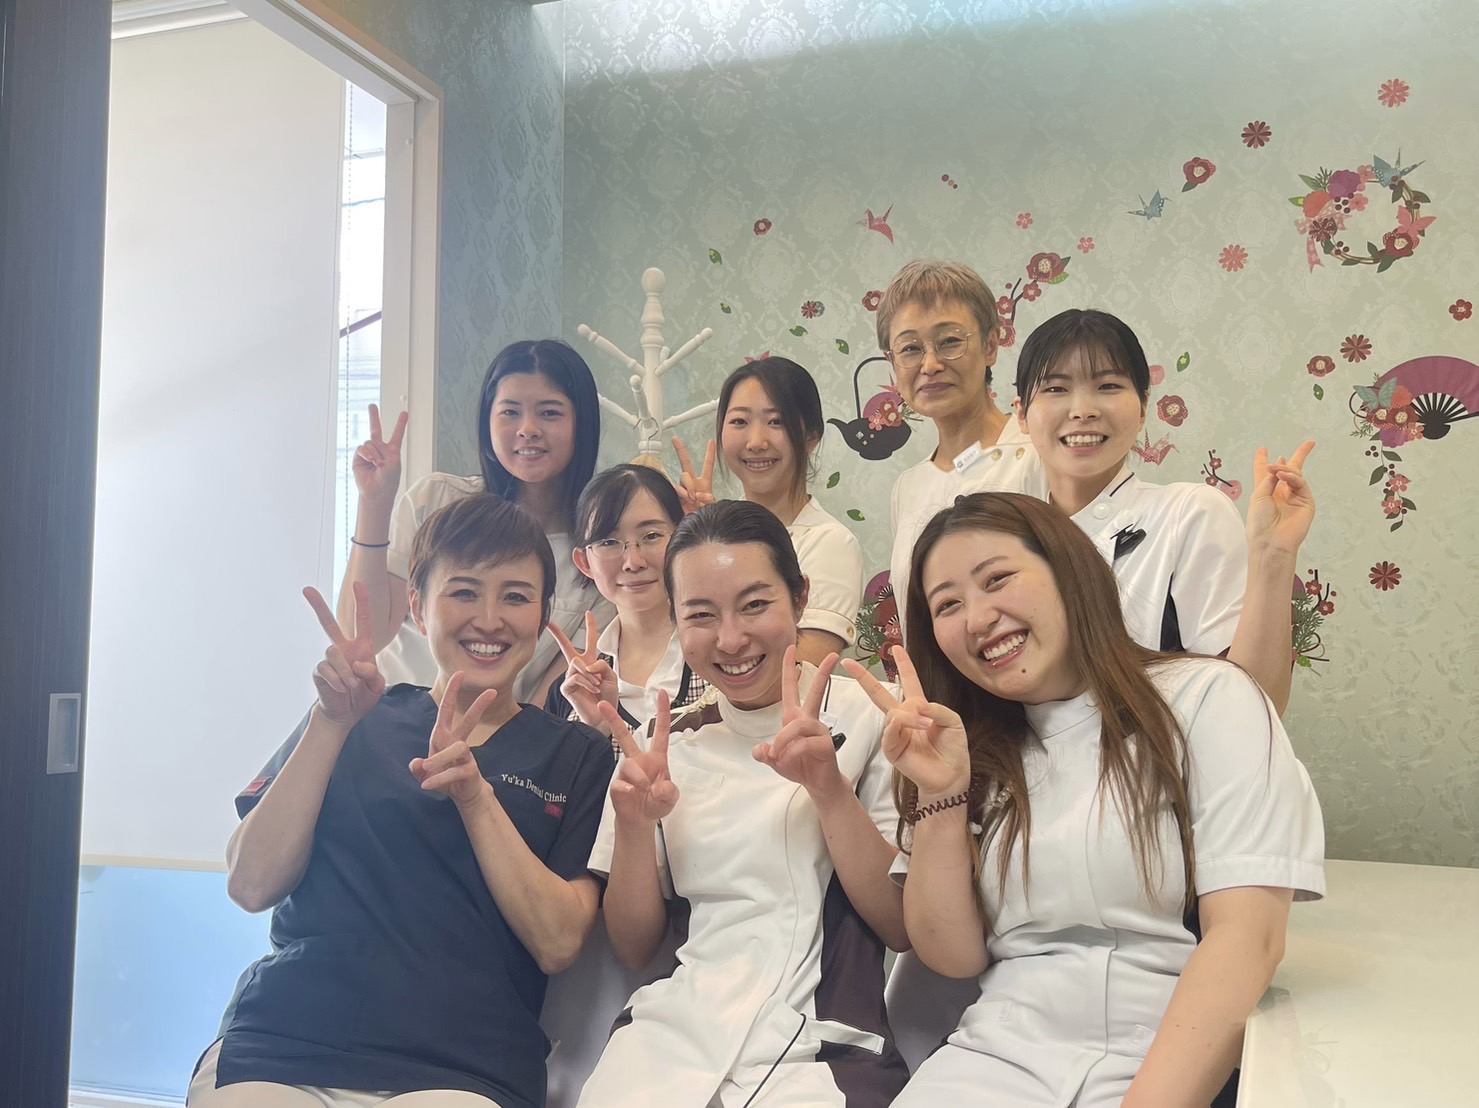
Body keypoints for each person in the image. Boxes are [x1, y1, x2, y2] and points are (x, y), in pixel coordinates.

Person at [844, 492, 1324, 1108]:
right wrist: (942, 796)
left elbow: (1246, 940)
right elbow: (952, 957)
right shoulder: (965, 750)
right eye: (948, 605)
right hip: (994, 1057)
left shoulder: (1208, 699)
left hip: (1170, 1053)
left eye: (997, 579)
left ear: (1069, 570)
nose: (978, 618)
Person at [190, 495, 614, 1108]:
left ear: (545, 614)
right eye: (463, 592)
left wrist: (475, 798)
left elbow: (558, 942)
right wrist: (331, 724)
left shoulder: (575, 754)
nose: (489, 620)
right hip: (284, 1043)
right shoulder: (356, 713)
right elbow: (251, 885)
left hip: (466, 1070)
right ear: (417, 606)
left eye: (516, 597)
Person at [576, 501, 909, 1108]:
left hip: (823, 1051)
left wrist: (829, 791)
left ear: (800, 599)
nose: (730, 640)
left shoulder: (874, 717)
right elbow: (633, 948)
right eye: (701, 615)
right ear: (676, 621)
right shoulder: (665, 743)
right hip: (671, 1036)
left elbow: (900, 924)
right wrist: (634, 827)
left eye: (755, 605)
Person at [1013, 308, 1314, 712]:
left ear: (1142, 409)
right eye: (1055, 388)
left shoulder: (1188, 513)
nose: (1083, 410)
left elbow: (1252, 706)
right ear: (1021, 414)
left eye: (1107, 385)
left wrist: (1273, 554)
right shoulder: (1008, 538)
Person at [339, 339, 610, 705]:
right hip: (389, 714)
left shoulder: (597, 554)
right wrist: (375, 502)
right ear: (487, 422)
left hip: (491, 734)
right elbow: (363, 635)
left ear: (582, 424)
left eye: (549, 413)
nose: (528, 428)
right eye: (510, 412)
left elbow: (554, 700)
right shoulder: (437, 500)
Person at [875, 260, 1050, 635]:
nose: (930, 364)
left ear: (990, 345)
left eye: (950, 341)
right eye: (910, 348)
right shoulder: (907, 488)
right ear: (892, 362)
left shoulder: (1038, 457)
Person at [673, 357, 863, 665]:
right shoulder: (709, 535)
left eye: (776, 422)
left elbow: (799, 672)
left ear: (811, 436)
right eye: (739, 422)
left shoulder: (830, 543)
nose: (756, 442)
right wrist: (703, 541)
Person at [545, 463, 708, 738]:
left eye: (652, 536)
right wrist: (596, 732)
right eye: (608, 542)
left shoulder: (721, 654)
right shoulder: (573, 691)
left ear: (682, 539)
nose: (633, 562)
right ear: (584, 562)